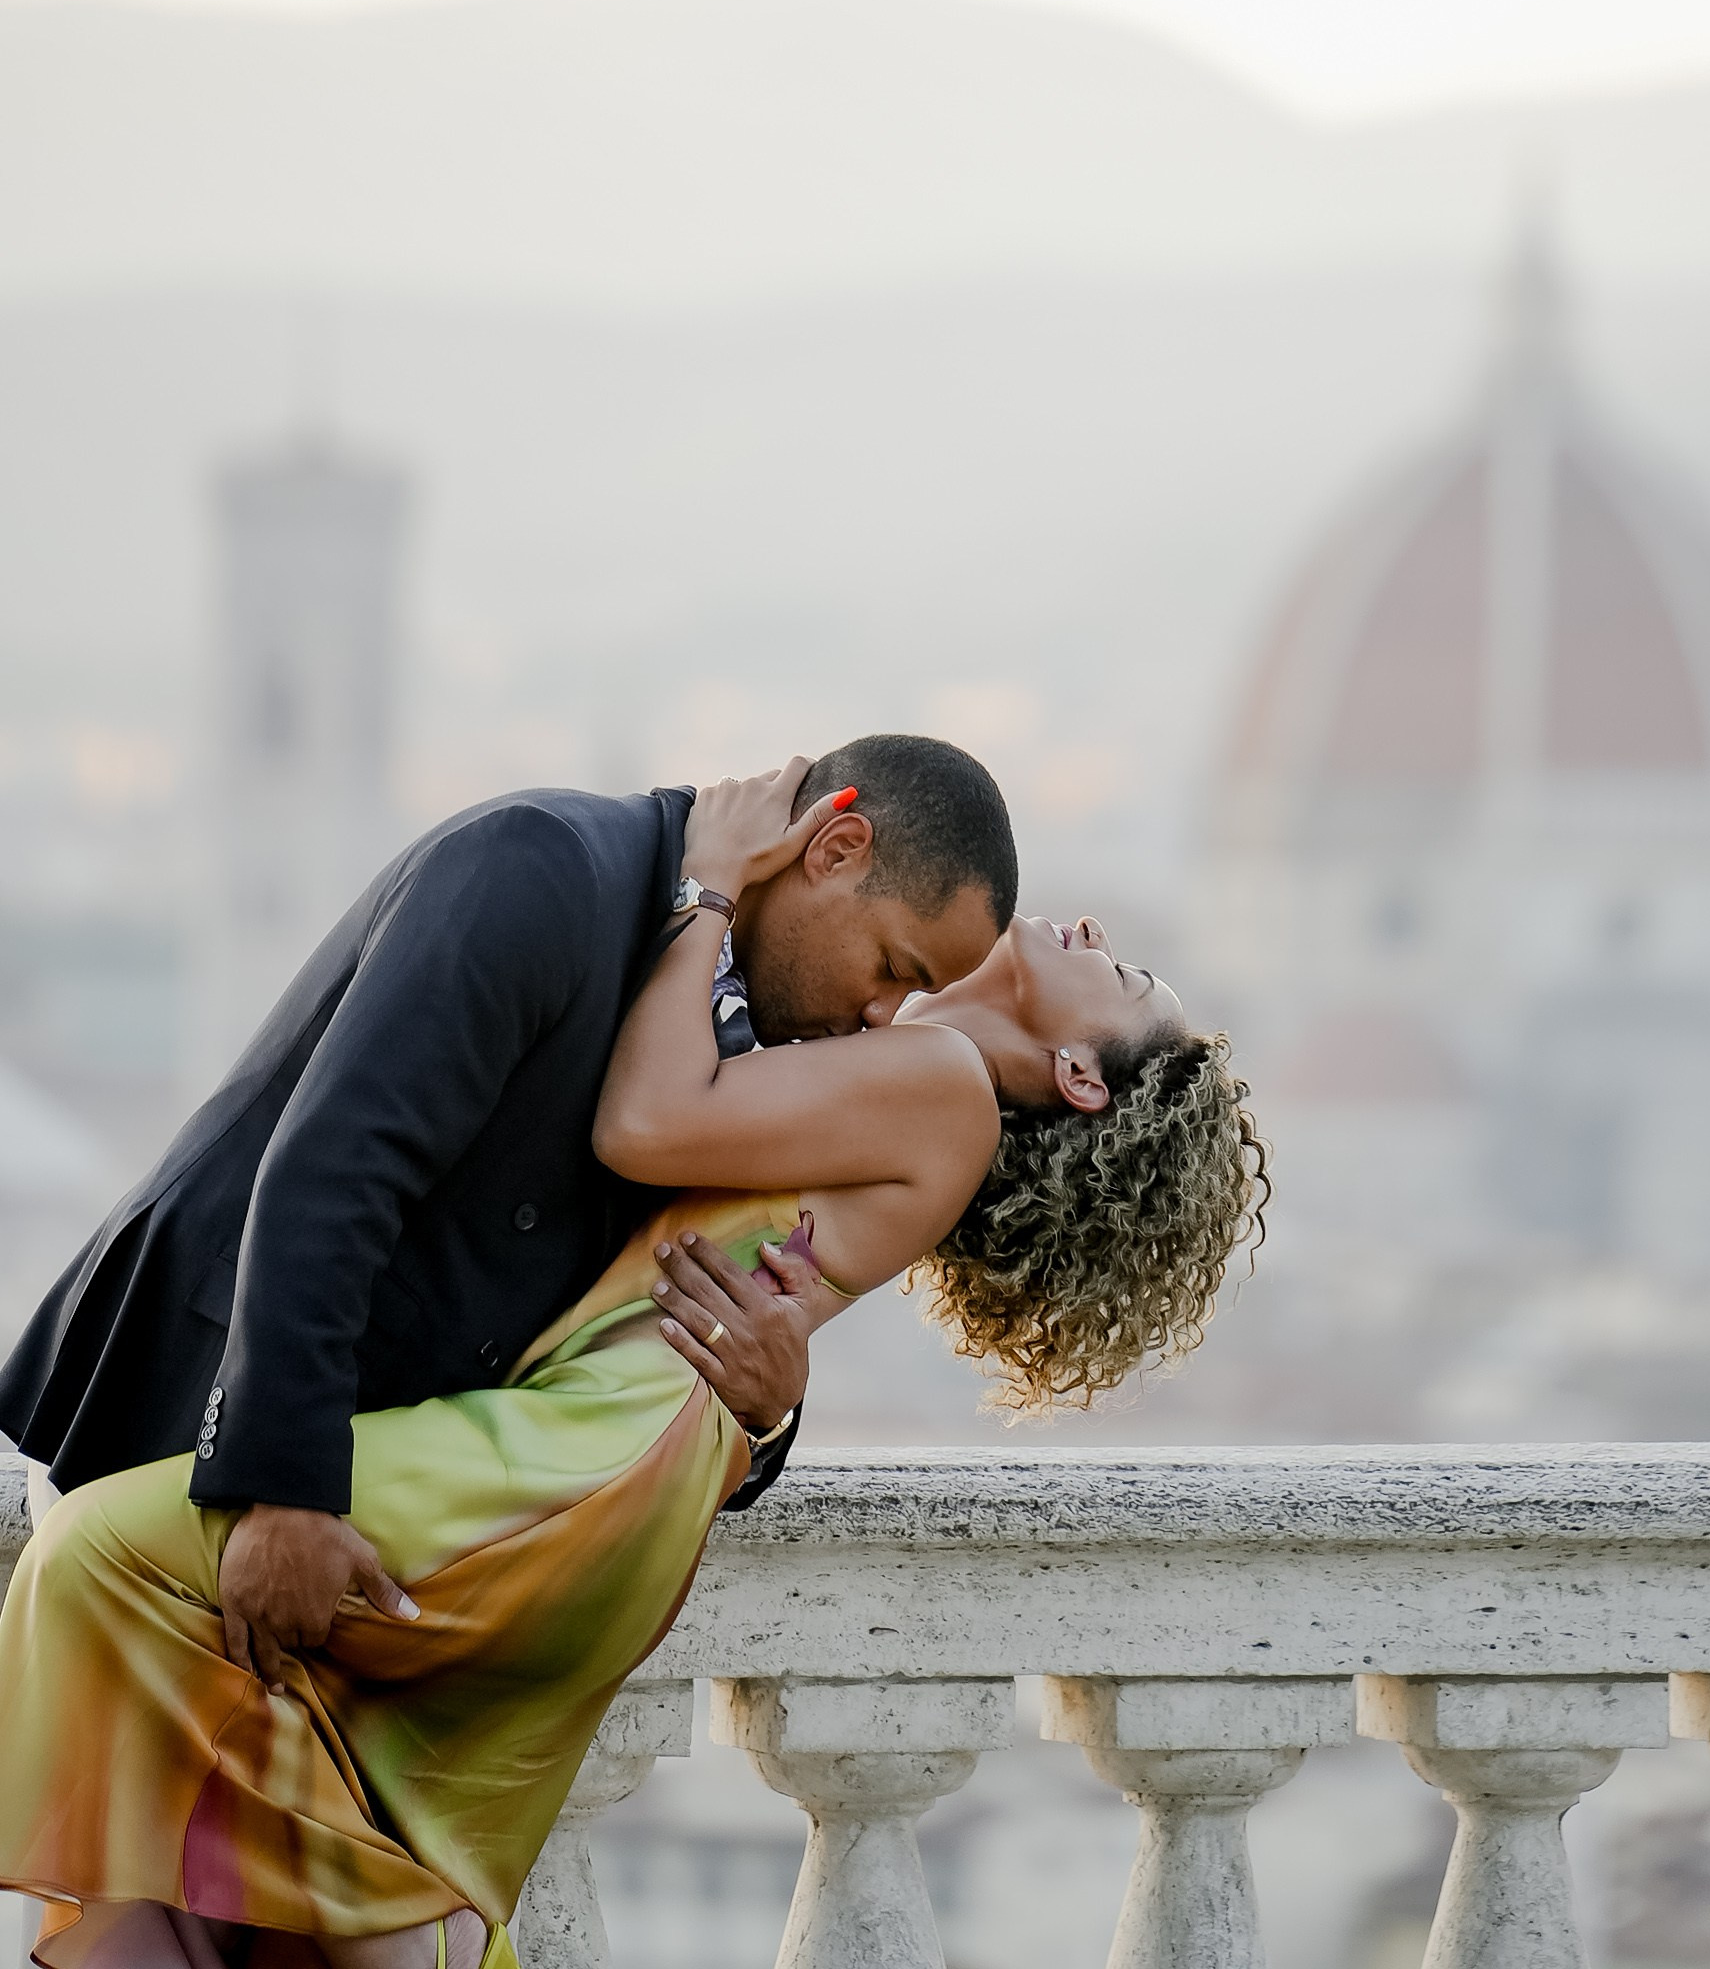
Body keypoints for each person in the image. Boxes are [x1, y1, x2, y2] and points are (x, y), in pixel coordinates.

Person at [0, 766, 1267, 1969]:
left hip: (593, 1448)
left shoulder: (940, 1086)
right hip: (606, 1446)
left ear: (1080, 1077)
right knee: (323, 1787)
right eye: (890, 966)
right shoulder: (881, 1070)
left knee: (101, 1562)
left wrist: (705, 892)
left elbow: (645, 1123)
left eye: (1125, 974)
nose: (1093, 931)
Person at [0, 737, 1020, 1683]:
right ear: (837, 850)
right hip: (193, 1417)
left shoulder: (731, 1020)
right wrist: (284, 1490)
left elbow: (644, 1318)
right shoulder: (543, 863)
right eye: (894, 968)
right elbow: (336, 1168)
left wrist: (769, 1411)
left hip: (369, 1511)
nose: (882, 1015)